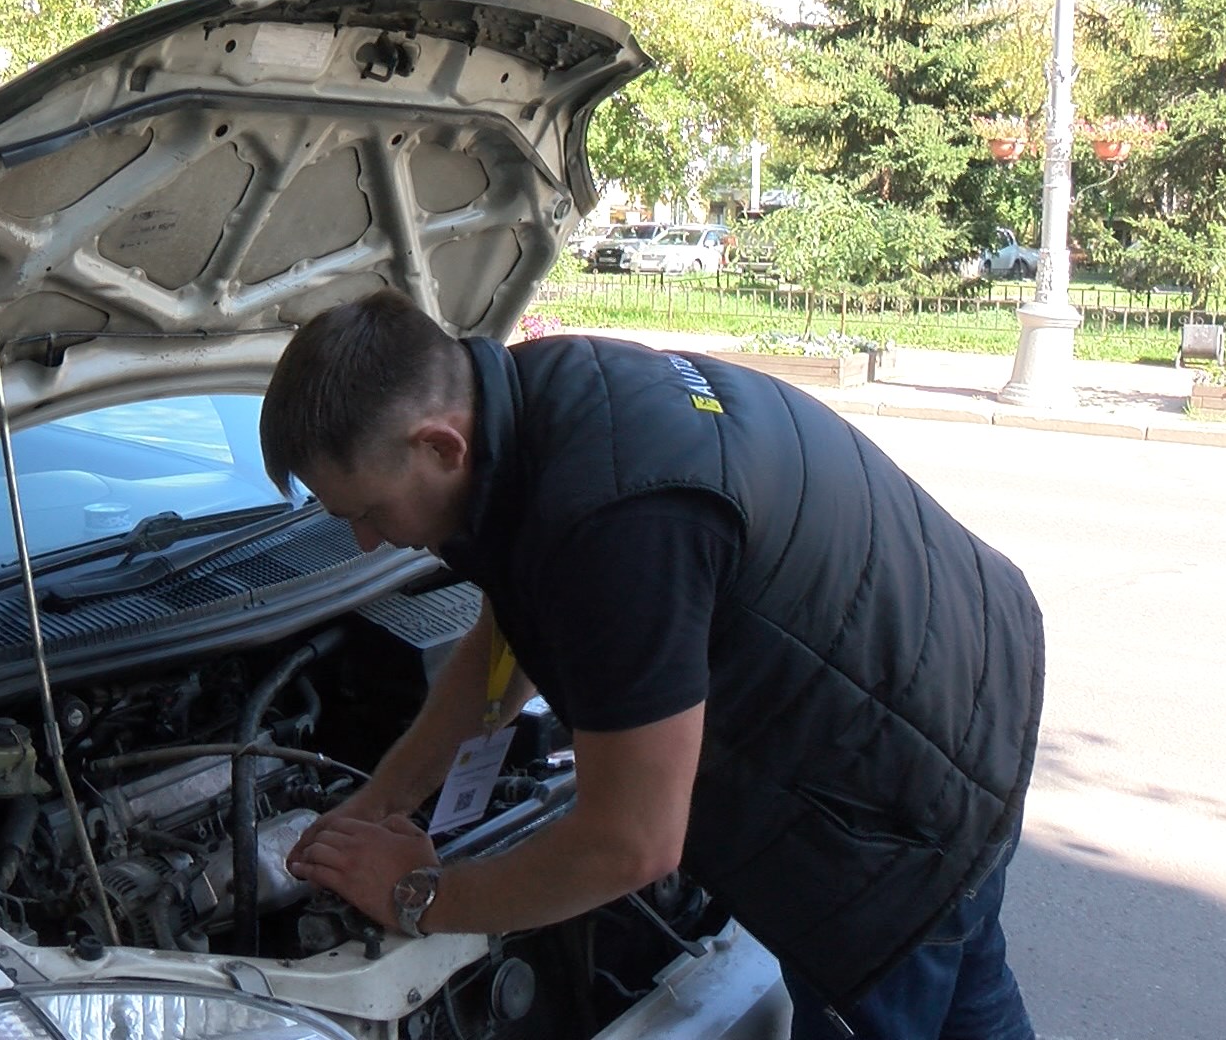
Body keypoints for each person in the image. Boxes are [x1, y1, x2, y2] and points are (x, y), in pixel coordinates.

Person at [263, 289, 1044, 1039]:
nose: (364, 542)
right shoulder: (533, 400)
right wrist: (380, 801)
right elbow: (505, 642)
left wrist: (415, 895)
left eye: (365, 512)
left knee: (901, 972)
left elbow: (631, 844)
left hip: (896, 796)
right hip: (969, 678)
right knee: (970, 993)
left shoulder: (613, 520)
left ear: (441, 444)